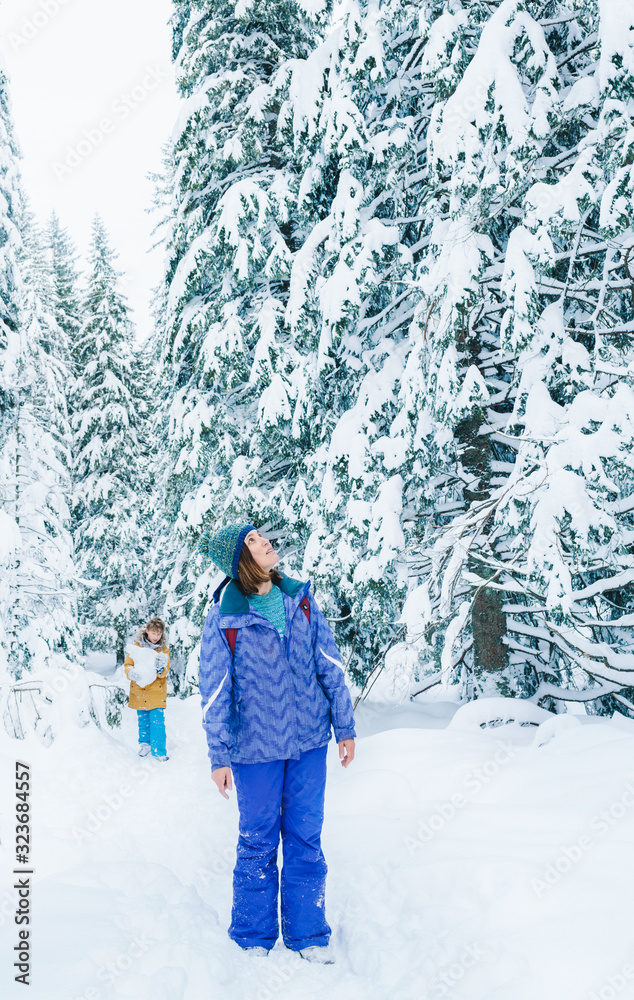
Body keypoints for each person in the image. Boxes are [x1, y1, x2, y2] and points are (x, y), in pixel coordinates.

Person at [198, 523, 356, 964]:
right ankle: (252, 936)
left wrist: (344, 726)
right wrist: (219, 754)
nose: (264, 542)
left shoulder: (299, 600)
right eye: (251, 541)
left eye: (260, 536)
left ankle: (309, 936)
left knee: (306, 837)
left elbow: (329, 664)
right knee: (257, 840)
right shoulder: (225, 618)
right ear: (239, 561)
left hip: (308, 741)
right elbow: (215, 689)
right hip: (254, 749)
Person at [124, 617, 171, 761]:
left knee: (157, 722)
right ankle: (145, 745)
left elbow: (165, 671)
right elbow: (128, 665)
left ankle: (159, 750)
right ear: (147, 631)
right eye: (153, 633)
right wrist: (131, 673)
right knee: (143, 720)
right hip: (140, 690)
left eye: (159, 634)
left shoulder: (163, 650)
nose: (156, 637)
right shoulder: (137, 647)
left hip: (156, 691)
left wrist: (160, 669)